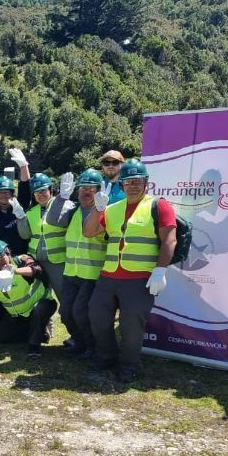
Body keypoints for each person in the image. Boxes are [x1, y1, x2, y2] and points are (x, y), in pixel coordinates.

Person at [83, 159, 177, 383]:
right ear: (122, 185)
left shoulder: (159, 205)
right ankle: (106, 356)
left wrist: (160, 271)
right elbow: (89, 232)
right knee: (97, 317)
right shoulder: (112, 209)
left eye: (137, 181)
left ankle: (129, 365)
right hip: (109, 276)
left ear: (146, 183)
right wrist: (98, 209)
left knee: (131, 326)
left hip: (139, 278)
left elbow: (169, 240)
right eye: (128, 182)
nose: (133, 185)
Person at [45, 169, 108, 358]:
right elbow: (52, 219)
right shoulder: (73, 210)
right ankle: (79, 341)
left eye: (91, 188)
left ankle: (92, 347)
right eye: (82, 187)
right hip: (71, 271)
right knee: (65, 312)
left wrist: (102, 209)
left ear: (99, 190)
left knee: (80, 312)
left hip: (91, 273)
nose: (85, 191)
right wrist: (62, 197)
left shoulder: (105, 211)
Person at [0, 240, 57, 359]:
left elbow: (37, 269)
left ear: (7, 252)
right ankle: (38, 333)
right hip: (19, 315)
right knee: (2, 337)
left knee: (39, 312)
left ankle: (34, 347)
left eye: (1, 256)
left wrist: (16, 271)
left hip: (42, 305)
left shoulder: (22, 260)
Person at [22, 172, 70, 300]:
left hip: (57, 260)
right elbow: (25, 234)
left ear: (51, 190)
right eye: (37, 192)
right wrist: (20, 218)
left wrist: (62, 199)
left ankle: (69, 318)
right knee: (41, 295)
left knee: (64, 294)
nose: (40, 194)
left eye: (43, 190)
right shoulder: (31, 212)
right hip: (37, 260)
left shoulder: (64, 205)